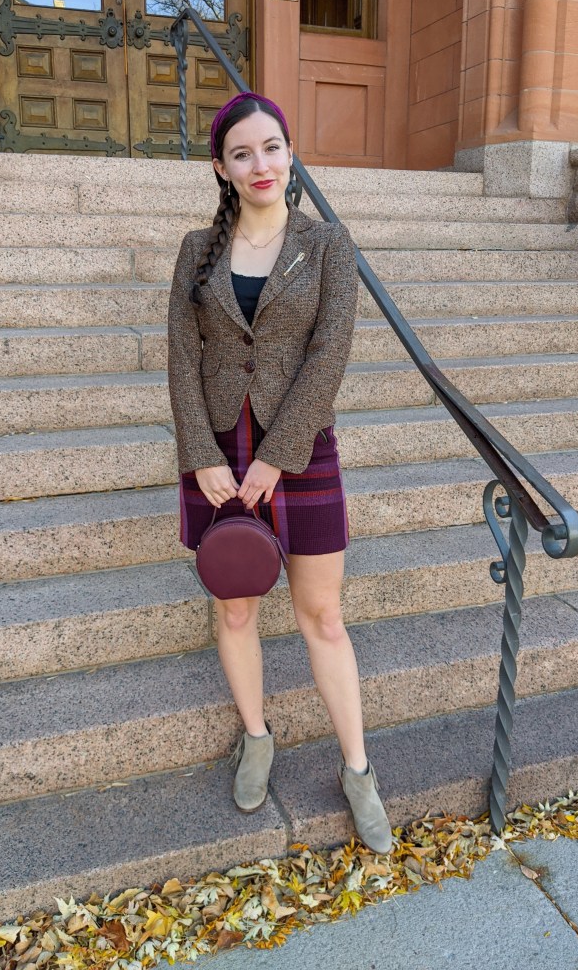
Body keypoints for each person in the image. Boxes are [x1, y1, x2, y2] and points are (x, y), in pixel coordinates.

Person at [167, 91, 392, 855]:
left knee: (322, 616)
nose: (259, 164)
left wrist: (274, 455)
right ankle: (256, 737)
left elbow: (329, 354)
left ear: (289, 154)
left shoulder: (328, 243)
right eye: (241, 153)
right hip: (217, 454)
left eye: (271, 147)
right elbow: (182, 359)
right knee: (235, 608)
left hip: (299, 447)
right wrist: (200, 453)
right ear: (221, 169)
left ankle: (358, 769)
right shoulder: (197, 249)